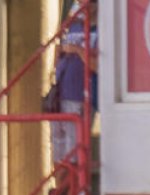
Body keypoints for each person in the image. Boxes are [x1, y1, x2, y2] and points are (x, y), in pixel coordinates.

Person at [51, 0, 96, 168]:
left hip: (79, 96)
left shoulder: (98, 30)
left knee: (74, 152)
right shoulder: (71, 26)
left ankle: (75, 192)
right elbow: (58, 56)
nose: (81, 6)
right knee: (58, 151)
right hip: (60, 95)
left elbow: (96, 66)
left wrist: (77, 50)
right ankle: (61, 192)